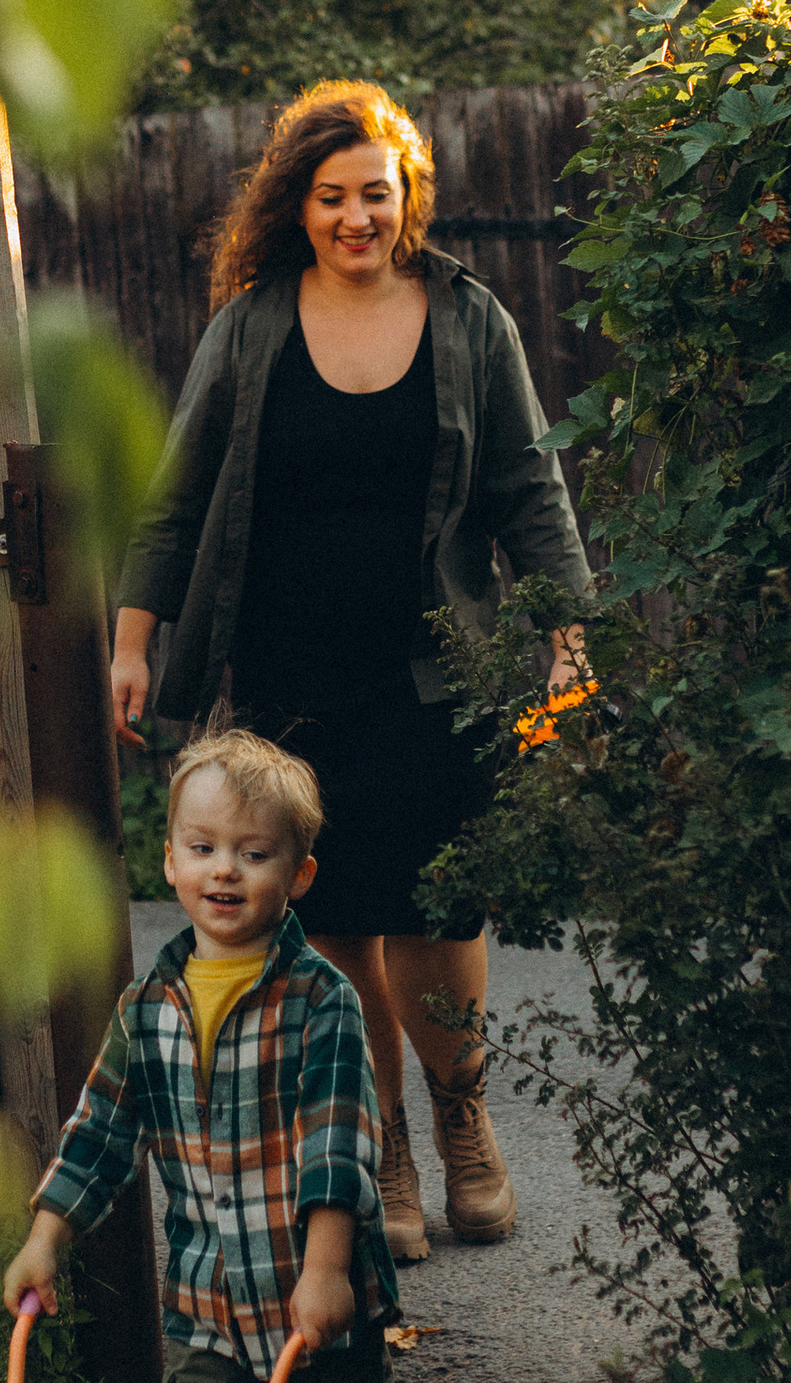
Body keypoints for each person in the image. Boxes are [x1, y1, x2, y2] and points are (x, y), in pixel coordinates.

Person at [107, 80, 590, 1260]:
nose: (355, 217)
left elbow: (529, 487)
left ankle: (461, 1118)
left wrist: (569, 636)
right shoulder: (250, 328)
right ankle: (385, 1150)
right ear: (299, 204)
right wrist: (131, 638)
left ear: (407, 195)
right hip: (290, 672)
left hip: (437, 671)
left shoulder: (470, 320)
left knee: (437, 907)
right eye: (331, 197)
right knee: (328, 918)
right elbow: (175, 495)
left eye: (375, 193)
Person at [0, 724, 441, 1383]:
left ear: (300, 874)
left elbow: (339, 1145)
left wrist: (326, 1271)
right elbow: (100, 1132)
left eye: (253, 853)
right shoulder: (148, 1009)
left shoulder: (321, 1002)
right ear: (168, 861)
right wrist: (47, 1235)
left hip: (314, 1306)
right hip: (206, 1310)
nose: (224, 872)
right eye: (203, 849)